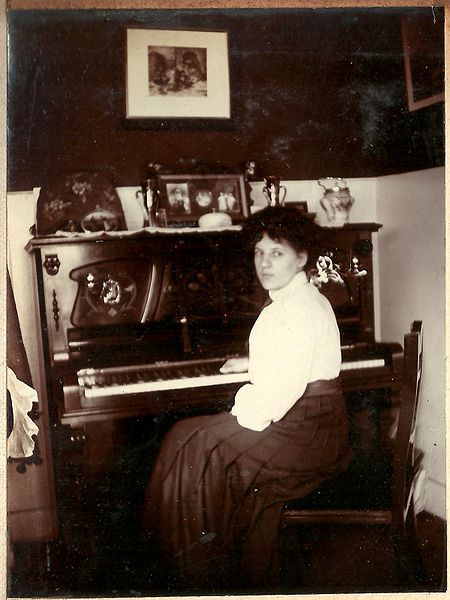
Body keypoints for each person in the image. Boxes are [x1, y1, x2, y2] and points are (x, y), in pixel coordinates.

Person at [142, 206, 352, 592]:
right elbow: (293, 361)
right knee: (191, 439)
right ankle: (193, 563)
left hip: (304, 434)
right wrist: (255, 363)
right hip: (314, 422)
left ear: (301, 257)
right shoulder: (300, 298)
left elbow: (272, 403)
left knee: (193, 443)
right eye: (258, 252)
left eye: (277, 253)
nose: (264, 263)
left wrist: (239, 412)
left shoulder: (293, 310)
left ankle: (190, 574)